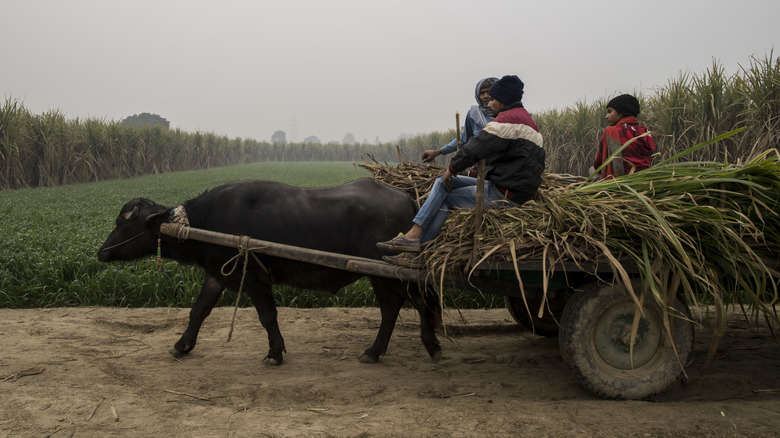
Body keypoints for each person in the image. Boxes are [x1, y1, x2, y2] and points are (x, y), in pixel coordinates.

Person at [378, 75, 545, 268]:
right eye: (486, 97)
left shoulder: (507, 121)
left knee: (448, 197)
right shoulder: (527, 121)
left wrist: (452, 168)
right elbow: (470, 143)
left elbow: (474, 147)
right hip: (505, 185)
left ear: (503, 99)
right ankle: (412, 236)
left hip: (504, 193)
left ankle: (422, 251)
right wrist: (447, 166)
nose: (489, 103)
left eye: (493, 99)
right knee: (442, 182)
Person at [421, 77, 498, 164]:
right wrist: (438, 152)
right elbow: (463, 139)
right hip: (483, 167)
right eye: (482, 93)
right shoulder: (474, 114)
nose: (486, 96)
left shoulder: (506, 114)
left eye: (489, 92)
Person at [592, 94, 656, 179]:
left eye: (610, 112)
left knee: (592, 170)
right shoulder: (645, 132)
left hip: (617, 181)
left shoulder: (611, 131)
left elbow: (599, 164)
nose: (606, 116)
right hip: (642, 179)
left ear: (621, 113)